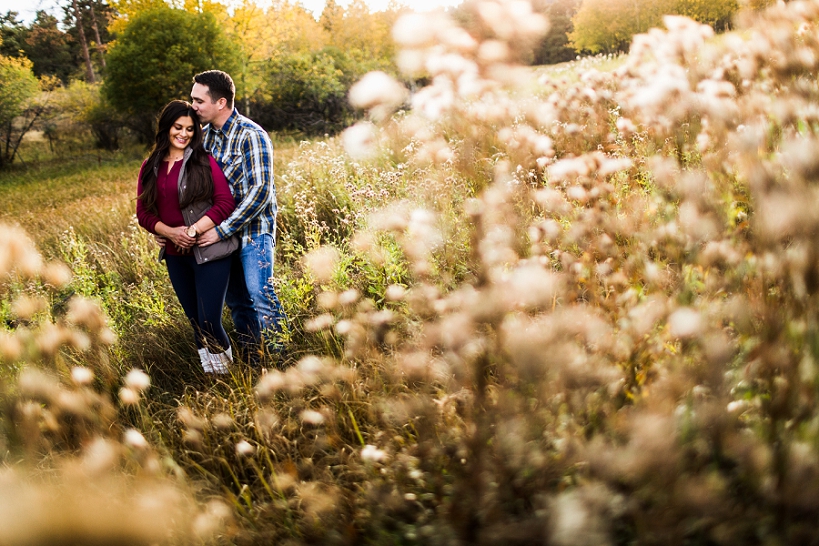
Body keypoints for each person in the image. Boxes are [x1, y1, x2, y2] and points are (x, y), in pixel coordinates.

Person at [190, 70, 287, 364]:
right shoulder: (204, 139)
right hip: (221, 235)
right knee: (237, 304)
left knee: (260, 297)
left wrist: (221, 230)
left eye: (198, 100)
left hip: (254, 231)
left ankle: (282, 362)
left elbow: (260, 192)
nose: (193, 106)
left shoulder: (251, 135)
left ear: (220, 103)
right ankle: (254, 362)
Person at [136, 100, 238, 374]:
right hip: (174, 255)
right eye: (178, 127)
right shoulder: (149, 167)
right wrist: (170, 233)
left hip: (208, 252)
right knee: (195, 321)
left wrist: (193, 231)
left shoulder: (204, 161)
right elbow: (143, 213)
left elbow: (224, 203)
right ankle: (212, 374)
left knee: (209, 320)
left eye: (190, 129)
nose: (183, 134)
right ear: (166, 127)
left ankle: (228, 374)